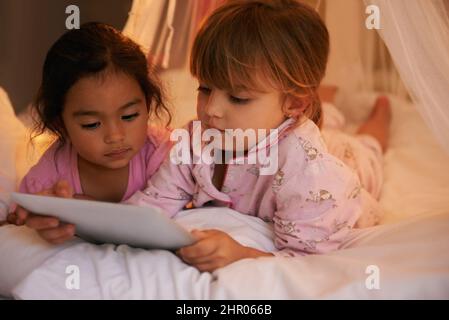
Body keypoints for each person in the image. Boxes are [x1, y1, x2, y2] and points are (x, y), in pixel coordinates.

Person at [124, 0, 389, 271]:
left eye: (238, 98)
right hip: (287, 129)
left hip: (344, 164)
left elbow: (306, 262)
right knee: (328, 121)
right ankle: (328, 104)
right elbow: (156, 200)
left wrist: (241, 254)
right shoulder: (196, 140)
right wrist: (98, 221)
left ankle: (381, 115)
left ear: (295, 104)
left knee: (365, 148)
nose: (211, 110)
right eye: (204, 88)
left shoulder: (314, 178)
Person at [6, 22, 172, 243]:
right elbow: (17, 222)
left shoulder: (165, 155)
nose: (115, 135)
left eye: (130, 116)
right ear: (60, 124)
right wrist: (38, 221)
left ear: (148, 105)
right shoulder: (50, 177)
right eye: (92, 124)